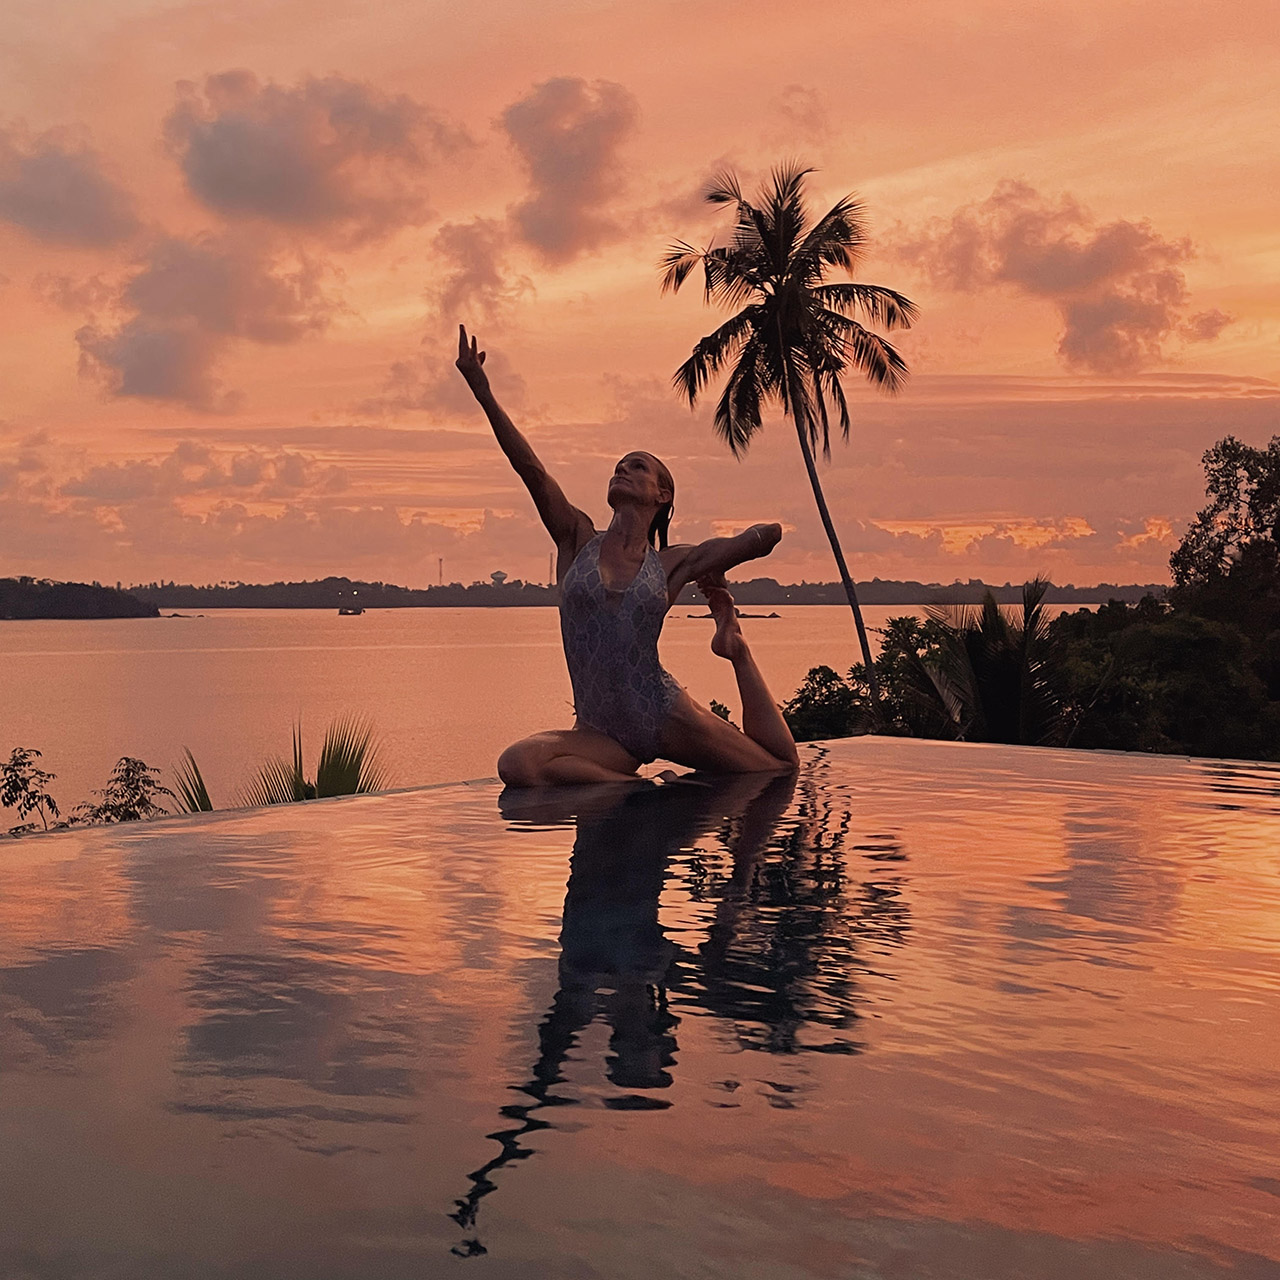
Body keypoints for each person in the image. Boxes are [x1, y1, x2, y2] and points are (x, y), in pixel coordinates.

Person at [455, 324, 800, 786]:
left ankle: (735, 648)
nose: (623, 469)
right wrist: (484, 394)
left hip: (664, 713)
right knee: (518, 764)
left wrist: (744, 547)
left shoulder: (672, 563)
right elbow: (531, 470)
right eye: (619, 465)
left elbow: (766, 535)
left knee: (776, 768)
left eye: (637, 466)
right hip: (600, 733)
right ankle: (641, 789)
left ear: (662, 494)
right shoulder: (575, 538)